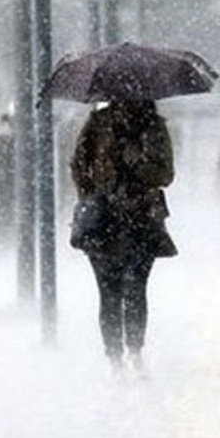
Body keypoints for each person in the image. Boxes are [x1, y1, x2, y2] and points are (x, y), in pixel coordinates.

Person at [70, 99, 177, 375]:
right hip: (103, 221)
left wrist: (137, 162)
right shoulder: (97, 124)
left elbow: (165, 174)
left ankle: (134, 350)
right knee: (109, 291)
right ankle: (115, 357)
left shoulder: (154, 126)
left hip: (141, 219)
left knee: (136, 288)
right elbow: (78, 167)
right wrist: (97, 190)